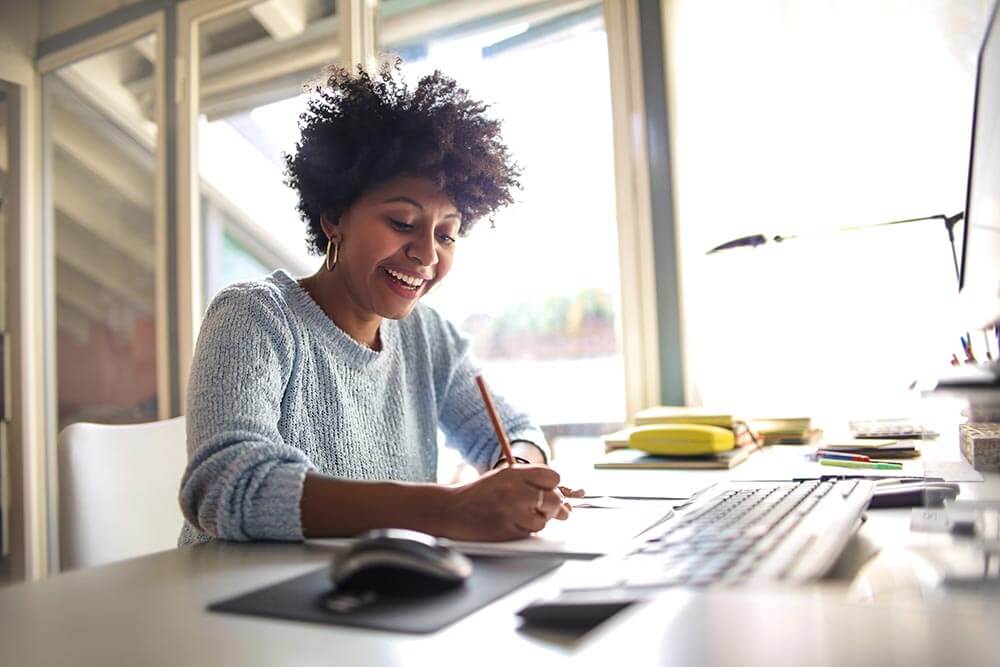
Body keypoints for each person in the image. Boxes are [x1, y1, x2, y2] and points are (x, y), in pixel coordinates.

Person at [179, 62, 582, 546]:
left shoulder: (428, 335)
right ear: (334, 217)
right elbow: (226, 486)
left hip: (379, 593)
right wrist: (448, 509)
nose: (427, 254)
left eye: (446, 233)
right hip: (238, 601)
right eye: (402, 222)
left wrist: (516, 473)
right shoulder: (256, 317)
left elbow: (514, 430)